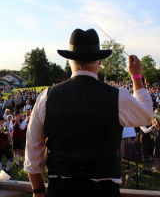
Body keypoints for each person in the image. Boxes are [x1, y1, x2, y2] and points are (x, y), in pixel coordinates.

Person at [24, 28, 154, 197]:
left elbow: (32, 152)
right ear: (99, 61)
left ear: (69, 61)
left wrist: (39, 191)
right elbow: (147, 116)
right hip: (104, 190)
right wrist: (136, 77)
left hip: (61, 189)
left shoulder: (46, 98)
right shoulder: (117, 97)